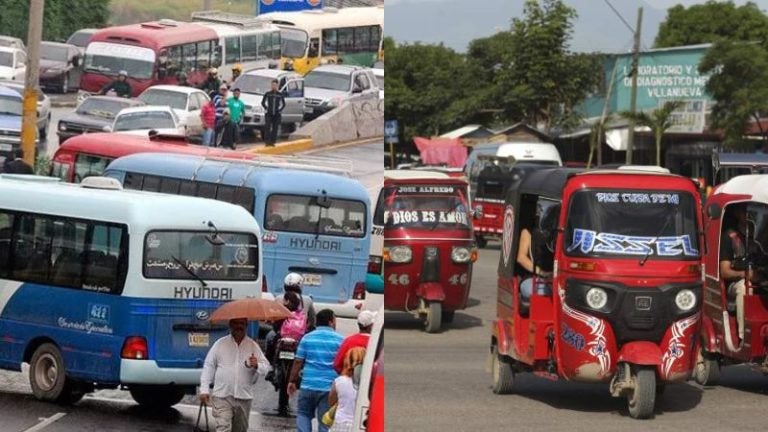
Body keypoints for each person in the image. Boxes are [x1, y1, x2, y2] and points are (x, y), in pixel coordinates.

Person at [199, 317, 270, 432]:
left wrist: (257, 365)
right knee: (223, 428)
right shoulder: (220, 344)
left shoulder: (252, 345)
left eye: (241, 323)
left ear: (246, 325)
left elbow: (266, 368)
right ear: (230, 325)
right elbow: (209, 366)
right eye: (235, 323)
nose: (239, 326)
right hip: (222, 396)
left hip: (244, 397)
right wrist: (204, 389)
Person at [287, 309, 344, 432]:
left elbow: (298, 361)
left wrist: (292, 381)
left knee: (303, 414)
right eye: (334, 320)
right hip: (328, 388)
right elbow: (342, 364)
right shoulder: (340, 340)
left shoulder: (307, 338)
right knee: (324, 421)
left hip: (308, 385)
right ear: (330, 322)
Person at [720, 204, 758, 342]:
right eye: (744, 211)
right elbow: (724, 271)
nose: (749, 215)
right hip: (735, 283)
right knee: (744, 287)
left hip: (759, 278)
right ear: (737, 213)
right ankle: (745, 337)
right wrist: (745, 274)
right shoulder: (729, 237)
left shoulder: (760, 236)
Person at [516, 203, 556, 303]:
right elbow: (521, 258)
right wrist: (543, 273)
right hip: (533, 277)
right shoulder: (528, 232)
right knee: (542, 292)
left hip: (556, 279)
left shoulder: (561, 235)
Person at [328, 347, 366, 432]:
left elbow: (331, 402)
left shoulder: (339, 381)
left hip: (340, 424)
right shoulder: (368, 384)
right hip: (360, 425)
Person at [261, 79, 285, 146]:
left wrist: (279, 110)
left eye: (275, 85)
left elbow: (283, 104)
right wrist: (266, 108)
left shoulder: (280, 95)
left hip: (277, 114)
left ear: (277, 86)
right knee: (267, 127)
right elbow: (263, 102)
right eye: (272, 85)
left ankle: (273, 141)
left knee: (275, 128)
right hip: (269, 113)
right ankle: (267, 141)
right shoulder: (268, 94)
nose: (274, 86)